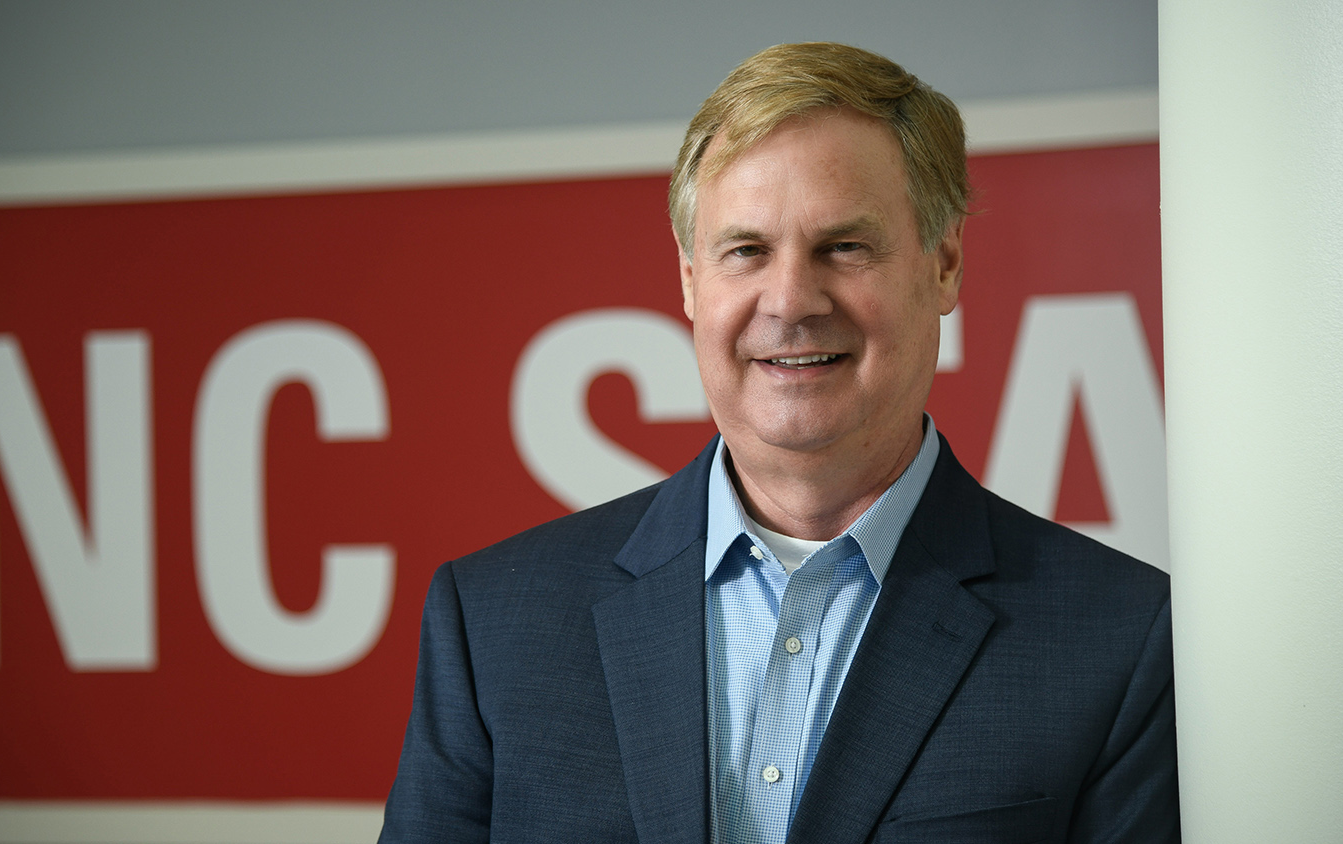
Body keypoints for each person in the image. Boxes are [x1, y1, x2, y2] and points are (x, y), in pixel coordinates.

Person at [380, 42, 1179, 843]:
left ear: (944, 264)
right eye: (747, 251)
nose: (791, 299)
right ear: (691, 280)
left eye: (844, 247)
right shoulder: (492, 625)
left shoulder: (1118, 640)